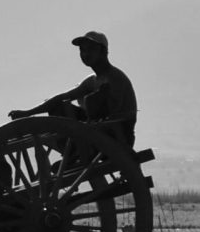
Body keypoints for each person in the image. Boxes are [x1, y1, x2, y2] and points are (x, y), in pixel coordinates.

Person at [8, 31, 137, 147]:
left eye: (91, 49)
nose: (85, 53)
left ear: (103, 52)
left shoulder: (115, 77)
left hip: (118, 138)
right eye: (82, 50)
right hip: (96, 132)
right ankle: (72, 154)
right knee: (57, 106)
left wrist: (90, 107)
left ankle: (77, 151)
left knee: (91, 101)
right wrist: (27, 113)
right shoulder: (92, 80)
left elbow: (113, 113)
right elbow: (62, 98)